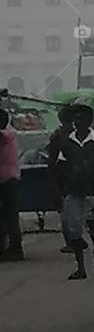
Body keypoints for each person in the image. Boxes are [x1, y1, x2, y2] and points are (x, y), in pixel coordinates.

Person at [54, 103, 94, 280]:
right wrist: (62, 190)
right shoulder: (66, 143)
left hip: (92, 191)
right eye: (75, 119)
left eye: (81, 118)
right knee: (74, 231)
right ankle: (81, 267)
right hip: (73, 191)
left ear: (89, 120)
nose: (77, 122)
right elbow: (60, 168)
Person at [47, 103, 76, 253]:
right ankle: (77, 237)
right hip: (78, 176)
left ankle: (70, 242)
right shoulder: (80, 133)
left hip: (61, 176)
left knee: (64, 210)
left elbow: (51, 160)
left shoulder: (56, 136)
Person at [0, 109, 23, 261]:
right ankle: (14, 247)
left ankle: (13, 248)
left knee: (7, 216)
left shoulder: (3, 135)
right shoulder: (11, 132)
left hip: (5, 179)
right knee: (10, 216)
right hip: (11, 178)